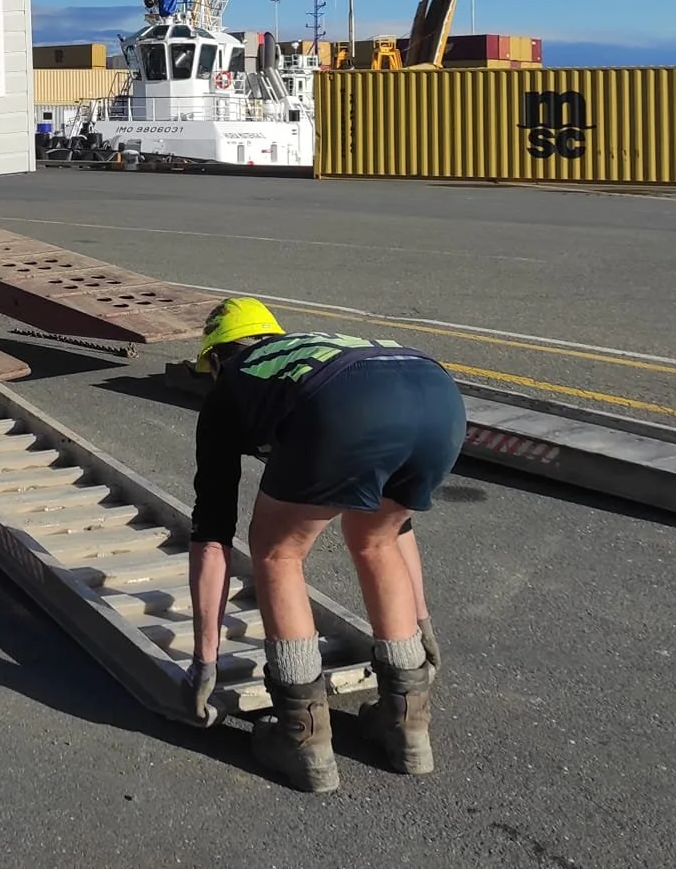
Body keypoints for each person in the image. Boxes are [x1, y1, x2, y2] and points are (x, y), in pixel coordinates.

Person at [181, 297, 465, 792]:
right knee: (376, 538)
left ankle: (302, 736)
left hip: (344, 405)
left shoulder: (233, 383)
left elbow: (212, 536)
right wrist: (422, 629)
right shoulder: (305, 349)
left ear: (218, 356)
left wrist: (206, 661)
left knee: (277, 551)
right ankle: (407, 723)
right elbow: (400, 531)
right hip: (436, 394)